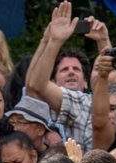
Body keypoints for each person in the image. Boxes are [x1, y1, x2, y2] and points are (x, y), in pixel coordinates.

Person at [25, 2, 109, 152]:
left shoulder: (85, 101)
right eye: (64, 70)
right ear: (53, 82)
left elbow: (111, 77)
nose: (71, 72)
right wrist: (51, 41)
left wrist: (103, 41)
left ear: (86, 83)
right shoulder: (49, 103)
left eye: (76, 69)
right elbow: (34, 86)